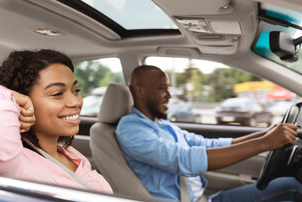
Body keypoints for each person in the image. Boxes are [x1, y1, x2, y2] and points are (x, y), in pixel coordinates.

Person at [116, 65, 302, 202]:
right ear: (140, 91)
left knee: (290, 185)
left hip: (206, 199)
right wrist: (264, 143)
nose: (169, 95)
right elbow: (184, 160)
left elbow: (207, 145)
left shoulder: (163, 125)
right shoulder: (131, 129)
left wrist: (265, 135)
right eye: (162, 88)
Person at [0, 49, 112, 193]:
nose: (76, 101)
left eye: (76, 90)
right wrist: (5, 95)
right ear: (23, 100)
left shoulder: (70, 153)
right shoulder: (11, 163)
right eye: (57, 93)